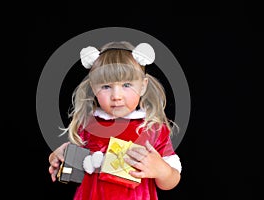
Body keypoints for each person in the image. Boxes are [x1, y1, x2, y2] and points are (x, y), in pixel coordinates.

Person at [48, 41, 182, 199]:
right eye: (106, 86)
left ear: (143, 86)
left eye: (126, 85)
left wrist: (162, 170)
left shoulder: (152, 128)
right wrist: (59, 159)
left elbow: (171, 181)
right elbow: (74, 172)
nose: (116, 96)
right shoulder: (88, 125)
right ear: (94, 88)